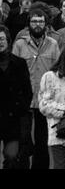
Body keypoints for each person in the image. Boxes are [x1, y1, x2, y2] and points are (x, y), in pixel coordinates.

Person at [12, 8, 60, 169]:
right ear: (29, 24)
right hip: (23, 100)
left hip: (45, 101)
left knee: (42, 141)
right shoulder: (19, 44)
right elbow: (12, 71)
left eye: (41, 21)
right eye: (34, 21)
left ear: (46, 24)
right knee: (24, 140)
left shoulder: (53, 45)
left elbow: (57, 71)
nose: (38, 24)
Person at [0, 25, 32, 169]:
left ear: (8, 40)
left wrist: (21, 109)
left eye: (2, 39)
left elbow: (27, 91)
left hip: (13, 121)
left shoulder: (19, 63)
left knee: (12, 158)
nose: (0, 42)